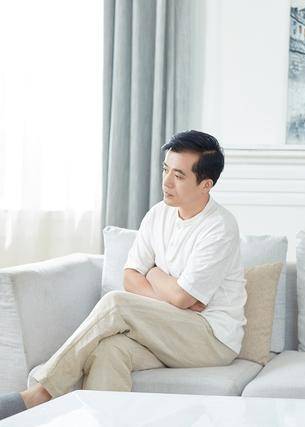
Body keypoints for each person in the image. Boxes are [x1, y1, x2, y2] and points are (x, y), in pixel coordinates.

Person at [0, 130, 246, 420]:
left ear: (206, 184)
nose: (166, 182)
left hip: (210, 339)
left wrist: (154, 274)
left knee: (116, 304)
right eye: (166, 169)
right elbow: (131, 277)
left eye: (179, 176)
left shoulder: (219, 227)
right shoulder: (158, 214)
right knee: (110, 350)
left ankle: (41, 393)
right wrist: (168, 290)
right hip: (168, 329)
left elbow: (181, 298)